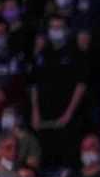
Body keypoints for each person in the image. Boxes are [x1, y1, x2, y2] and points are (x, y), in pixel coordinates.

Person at [29, 13, 88, 168]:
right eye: (52, 27)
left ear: (67, 30)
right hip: (44, 113)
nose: (55, 31)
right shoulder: (42, 53)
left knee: (67, 157)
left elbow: (81, 84)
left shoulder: (76, 52)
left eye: (59, 27)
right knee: (45, 157)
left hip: (67, 114)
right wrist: (35, 111)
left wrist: (69, 112)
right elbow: (34, 84)